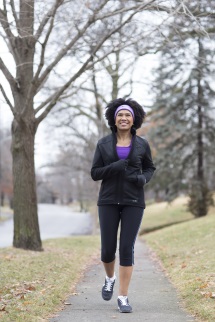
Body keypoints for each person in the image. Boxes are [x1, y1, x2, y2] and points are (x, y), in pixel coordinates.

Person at [91, 98, 156, 313]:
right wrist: (115, 167)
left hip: (134, 201)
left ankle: (123, 297)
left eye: (128, 115)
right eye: (120, 114)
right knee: (108, 250)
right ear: (114, 118)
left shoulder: (142, 144)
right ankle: (110, 278)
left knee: (126, 248)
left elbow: (149, 168)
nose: (124, 118)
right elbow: (95, 173)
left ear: (134, 118)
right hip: (108, 200)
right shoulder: (103, 144)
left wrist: (142, 179)